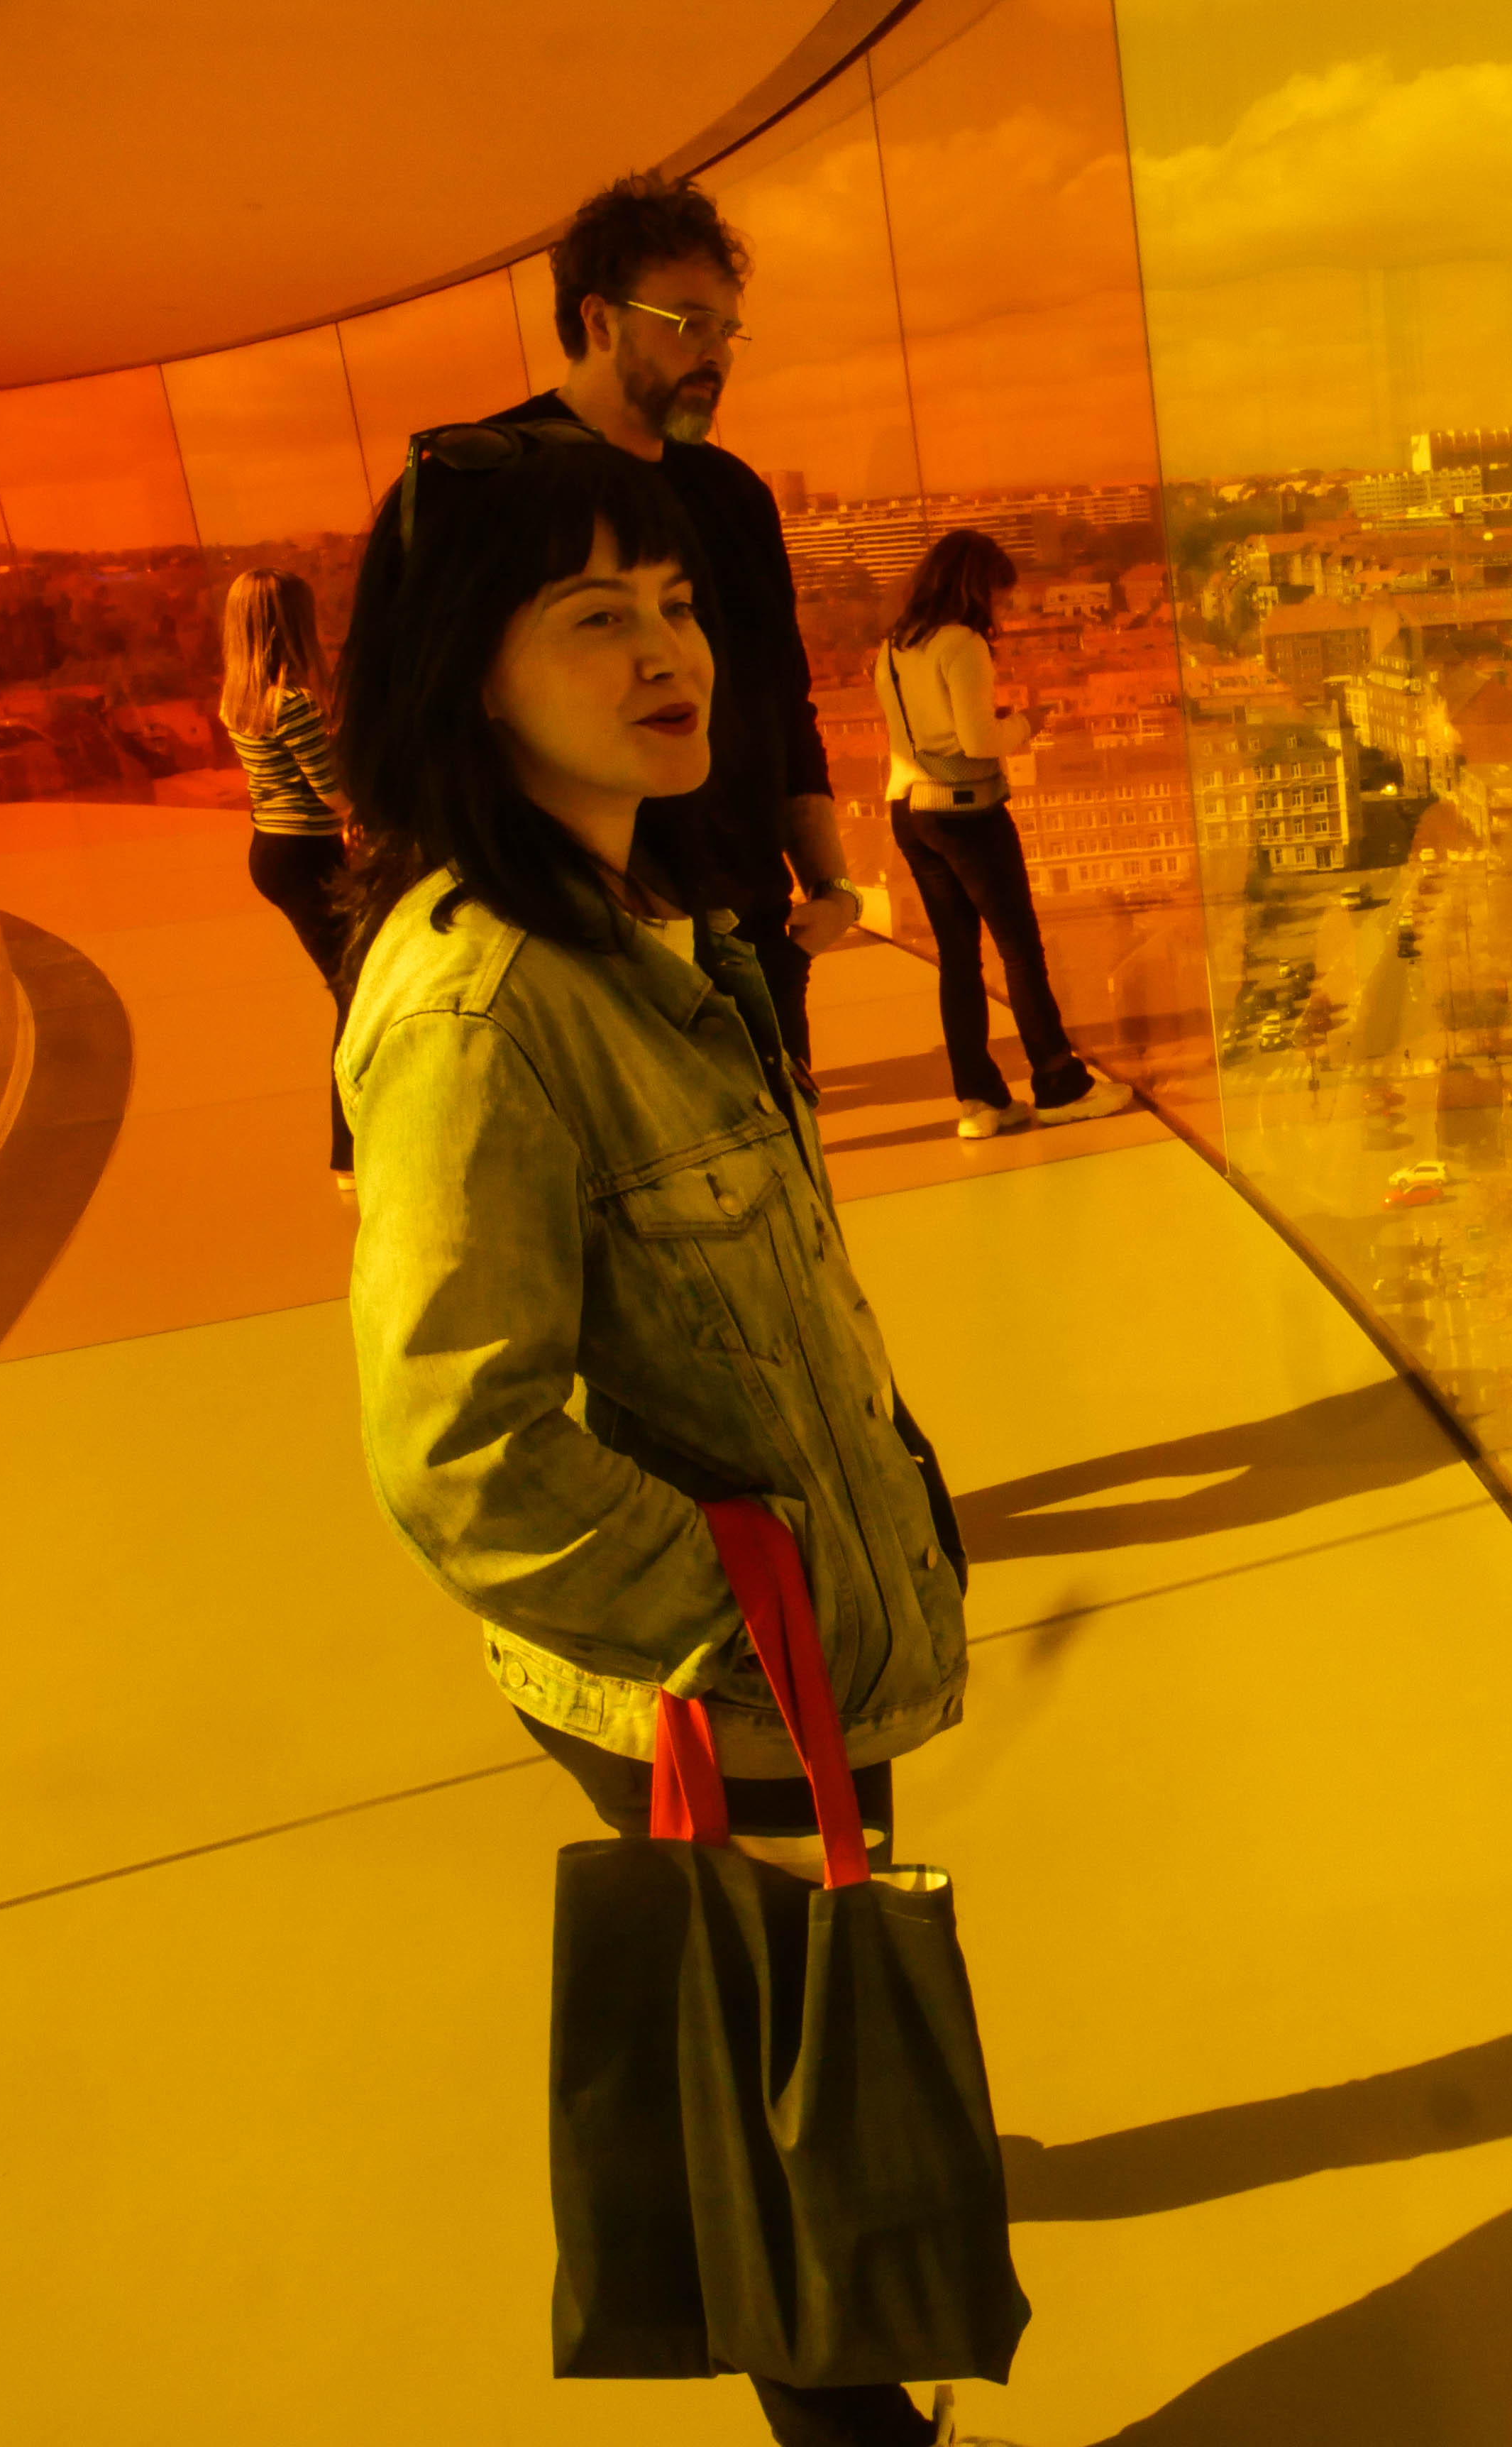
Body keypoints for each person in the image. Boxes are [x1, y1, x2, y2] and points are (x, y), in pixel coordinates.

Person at [333, 426, 1000, 2447]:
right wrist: (738, 1602)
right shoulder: (478, 1007)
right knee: (798, 2144)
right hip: (710, 1673)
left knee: (815, 2058)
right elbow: (458, 1446)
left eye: (680, 604)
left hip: (782, 1643)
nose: (667, 652)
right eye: (591, 615)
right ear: (469, 671)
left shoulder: (648, 928)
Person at [478, 170, 864, 1082]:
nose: (716, 353)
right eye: (688, 323)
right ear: (600, 320)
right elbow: (427, 730)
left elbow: (779, 699)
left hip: (748, 927)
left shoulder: (734, 495)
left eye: (727, 330)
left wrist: (829, 880)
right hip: (572, 937)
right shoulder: (487, 487)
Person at [876, 529, 1134, 1138]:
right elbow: (978, 743)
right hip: (967, 813)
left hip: (910, 809)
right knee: (1019, 950)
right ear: (977, 588)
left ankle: (980, 1100)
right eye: (1001, 594)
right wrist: (1029, 722)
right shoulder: (962, 644)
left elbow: (926, 731)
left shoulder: (892, 647)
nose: (1005, 607)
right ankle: (1059, 1083)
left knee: (958, 959)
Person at [219, 567, 357, 1197]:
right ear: (289, 624)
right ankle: (348, 1154)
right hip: (305, 853)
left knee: (354, 987)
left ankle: (352, 1150)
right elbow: (333, 794)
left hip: (275, 849)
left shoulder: (240, 698)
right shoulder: (293, 702)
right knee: (355, 993)